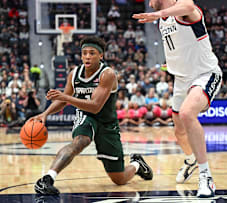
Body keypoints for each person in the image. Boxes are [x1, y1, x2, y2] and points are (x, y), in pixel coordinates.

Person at [30, 36, 153, 195]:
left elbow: (95, 106)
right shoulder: (74, 74)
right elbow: (63, 101)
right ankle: (47, 179)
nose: (87, 56)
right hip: (86, 116)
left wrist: (65, 97)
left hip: (107, 122)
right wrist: (45, 114)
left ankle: (136, 164)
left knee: (119, 179)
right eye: (84, 53)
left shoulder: (107, 74)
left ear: (101, 56)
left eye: (92, 53)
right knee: (80, 142)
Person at [133, 0, 222, 197]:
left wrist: (158, 14)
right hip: (181, 79)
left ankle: (206, 176)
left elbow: (190, 6)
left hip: (205, 73)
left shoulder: (183, 10)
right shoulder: (163, 19)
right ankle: (191, 160)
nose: (149, 2)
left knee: (187, 113)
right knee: (179, 131)